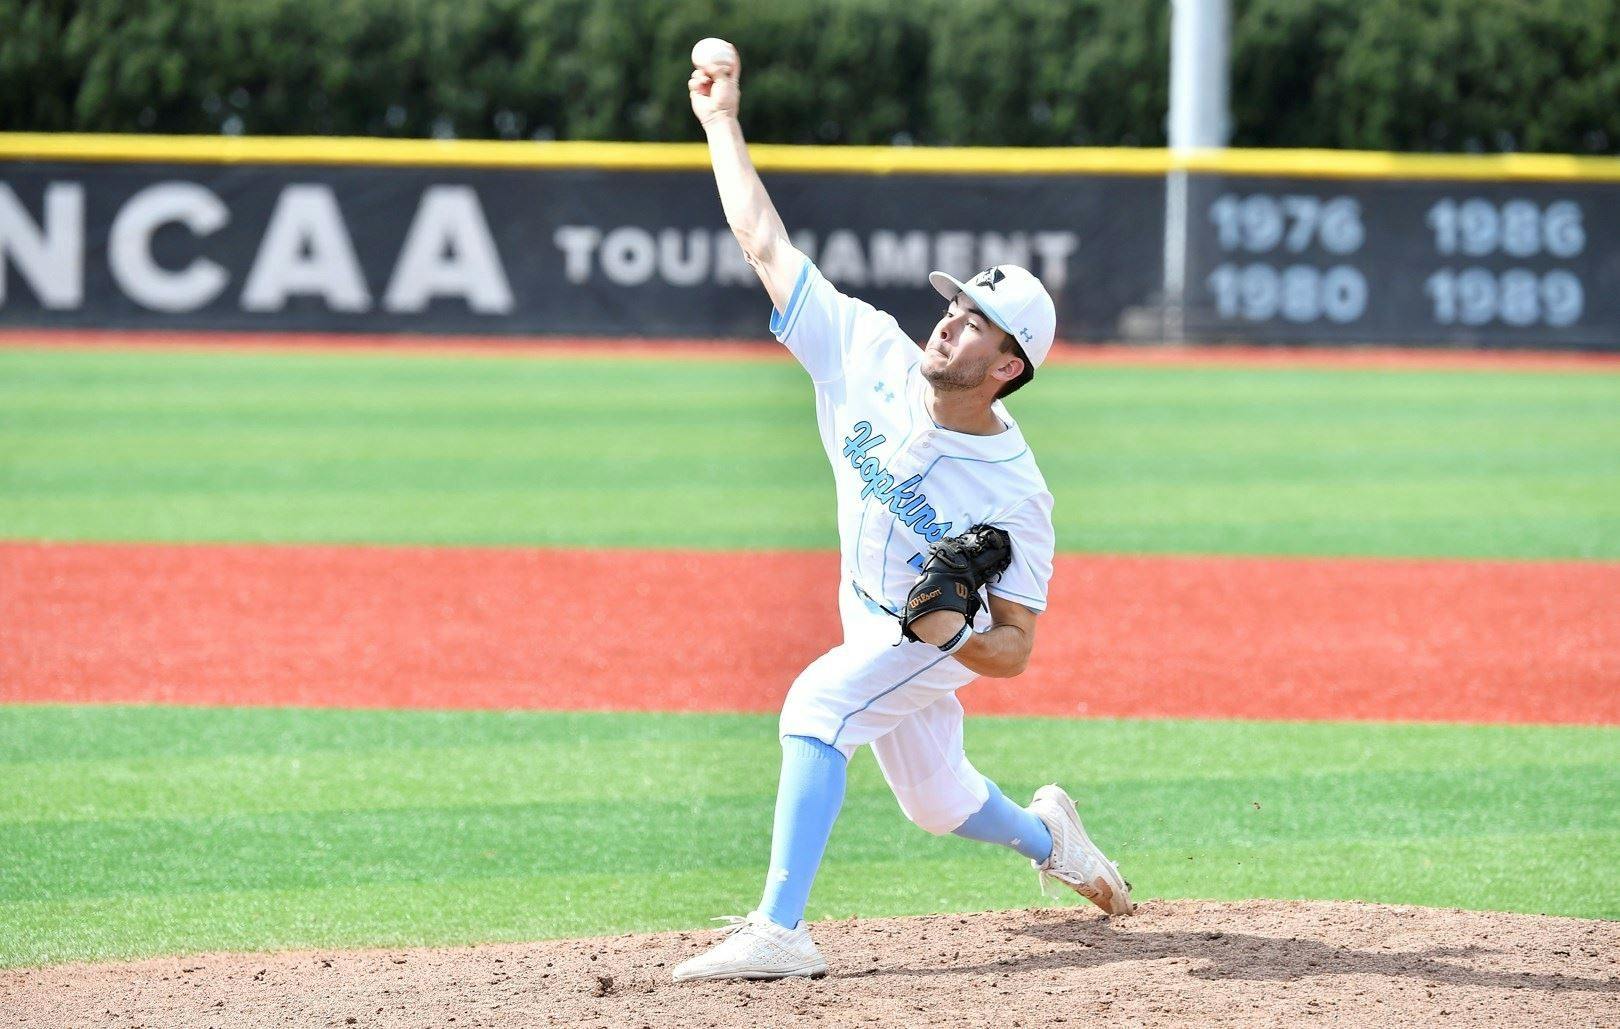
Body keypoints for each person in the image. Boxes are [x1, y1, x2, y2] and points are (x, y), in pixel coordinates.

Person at [672, 45, 1135, 984]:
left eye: (974, 322)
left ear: (1009, 366)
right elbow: (765, 242)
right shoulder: (867, 351)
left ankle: (780, 930)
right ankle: (1054, 837)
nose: (949, 321)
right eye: (955, 305)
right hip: (863, 603)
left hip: (918, 637)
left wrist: (948, 631)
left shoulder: (1015, 492)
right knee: (934, 798)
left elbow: (1016, 648)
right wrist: (722, 120)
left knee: (818, 701)